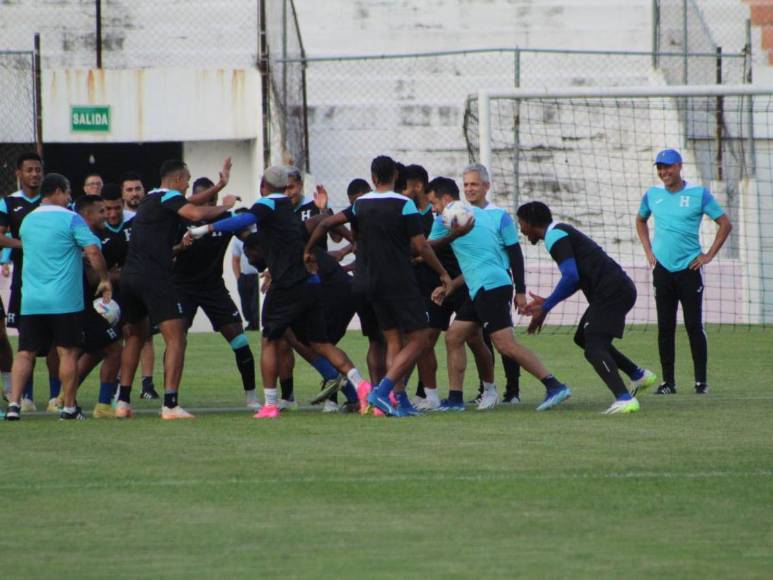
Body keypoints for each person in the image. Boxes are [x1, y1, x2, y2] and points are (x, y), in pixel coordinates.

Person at [190, 166, 370, 420]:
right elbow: (316, 223)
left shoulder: (268, 204)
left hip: (287, 285)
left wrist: (204, 229)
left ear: (264, 185)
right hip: (311, 283)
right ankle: (362, 386)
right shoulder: (287, 207)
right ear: (286, 187)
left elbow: (243, 220)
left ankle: (271, 404)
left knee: (269, 341)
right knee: (321, 343)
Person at [305, 156, 452, 417]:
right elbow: (420, 245)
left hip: (367, 282)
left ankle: (399, 401)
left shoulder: (360, 204)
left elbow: (327, 223)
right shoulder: (404, 204)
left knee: (392, 339)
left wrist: (308, 250)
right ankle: (381, 391)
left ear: (373, 178)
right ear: (396, 176)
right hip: (397, 281)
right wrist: (442, 273)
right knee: (419, 339)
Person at [428, 178, 572, 412]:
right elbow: (484, 258)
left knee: (505, 344)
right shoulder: (481, 215)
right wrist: (451, 284)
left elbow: (423, 249)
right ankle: (456, 399)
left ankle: (554, 385)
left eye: (433, 202)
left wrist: (445, 265)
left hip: (490, 287)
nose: (433, 209)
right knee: (454, 337)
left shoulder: (446, 220)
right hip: (486, 286)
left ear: (445, 200)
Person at [115, 159, 237, 420]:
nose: (189, 186)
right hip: (153, 277)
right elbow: (195, 212)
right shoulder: (169, 197)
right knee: (176, 336)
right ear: (178, 180)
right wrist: (223, 206)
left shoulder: (152, 199)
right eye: (188, 180)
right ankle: (170, 405)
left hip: (130, 276)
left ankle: (122, 402)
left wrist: (218, 185)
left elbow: (189, 202)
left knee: (135, 336)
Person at [517, 201, 657, 414]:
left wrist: (546, 305)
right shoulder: (559, 233)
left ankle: (624, 398)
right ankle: (638, 375)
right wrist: (547, 304)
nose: (521, 230)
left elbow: (571, 277)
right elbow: (576, 278)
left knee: (593, 346)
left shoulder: (555, 236)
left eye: (521, 224)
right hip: (616, 290)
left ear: (529, 222)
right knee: (583, 337)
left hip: (613, 292)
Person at [5, 174, 111, 421]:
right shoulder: (71, 218)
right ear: (58, 190)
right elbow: (93, 251)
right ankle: (69, 407)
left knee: (25, 352)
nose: (70, 197)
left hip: (31, 299)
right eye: (68, 192)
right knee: (67, 352)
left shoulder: (27, 220)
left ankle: (13, 405)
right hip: (64, 299)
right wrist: (104, 278)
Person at [636, 149, 732, 395]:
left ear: (679, 166)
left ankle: (701, 382)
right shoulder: (652, 195)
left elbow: (724, 223)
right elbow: (640, 220)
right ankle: (668, 383)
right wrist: (648, 251)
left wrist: (708, 255)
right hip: (663, 271)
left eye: (667, 167)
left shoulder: (698, 194)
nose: (663, 172)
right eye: (659, 168)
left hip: (689, 269)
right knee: (665, 327)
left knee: (693, 325)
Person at [172, 176, 259, 410]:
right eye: (204, 202)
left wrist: (251, 231)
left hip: (213, 288)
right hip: (182, 287)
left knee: (240, 340)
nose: (208, 207)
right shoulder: (180, 220)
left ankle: (251, 396)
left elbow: (248, 236)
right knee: (176, 341)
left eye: (212, 201)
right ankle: (171, 399)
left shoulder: (223, 219)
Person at [0, 152, 61, 412]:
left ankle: (55, 397)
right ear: (19, 173)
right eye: (29, 170)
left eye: (38, 169)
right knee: (28, 341)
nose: (34, 174)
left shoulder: (53, 203)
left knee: (59, 342)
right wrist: (26, 245)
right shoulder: (8, 203)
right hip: (25, 282)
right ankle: (25, 397)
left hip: (56, 281)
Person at [461, 163, 523, 404]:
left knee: (502, 339)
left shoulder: (500, 216)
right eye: (465, 184)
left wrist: (521, 290)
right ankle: (486, 390)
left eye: (474, 184)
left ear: (486, 186)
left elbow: (515, 253)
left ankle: (513, 391)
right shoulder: (459, 215)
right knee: (477, 338)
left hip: (496, 284)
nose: (469, 189)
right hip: (472, 284)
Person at [73, 194, 123, 418]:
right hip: (81, 305)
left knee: (95, 350)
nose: (106, 215)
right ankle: (102, 405)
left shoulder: (94, 236)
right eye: (101, 211)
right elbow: (92, 278)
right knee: (113, 349)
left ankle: (64, 398)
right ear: (86, 214)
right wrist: (116, 276)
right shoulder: (84, 238)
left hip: (80, 305)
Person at [232, 238, 260, 331]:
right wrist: (239, 278)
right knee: (246, 303)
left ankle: (256, 325)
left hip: (258, 276)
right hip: (245, 277)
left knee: (255, 304)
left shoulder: (260, 232)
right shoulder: (237, 240)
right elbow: (235, 259)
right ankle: (251, 323)